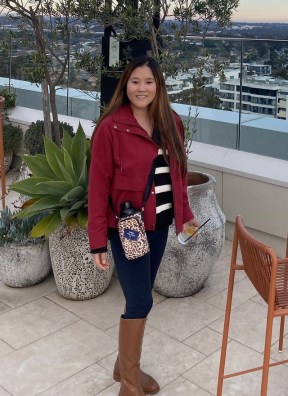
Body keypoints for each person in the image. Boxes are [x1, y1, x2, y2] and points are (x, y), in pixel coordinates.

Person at [88, 55, 198, 395]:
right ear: (126, 85)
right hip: (128, 228)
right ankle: (130, 385)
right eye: (135, 81)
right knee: (140, 302)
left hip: (160, 224)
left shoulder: (171, 122)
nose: (142, 88)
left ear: (158, 86)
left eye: (148, 82)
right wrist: (96, 241)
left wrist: (186, 216)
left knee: (140, 297)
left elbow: (177, 175)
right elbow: (97, 185)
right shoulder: (111, 128)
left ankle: (123, 367)